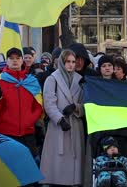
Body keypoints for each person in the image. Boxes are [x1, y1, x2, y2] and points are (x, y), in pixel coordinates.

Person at [40, 49, 85, 186]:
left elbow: (86, 104)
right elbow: (48, 103)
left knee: (75, 162)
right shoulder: (52, 79)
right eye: (67, 62)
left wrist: (76, 107)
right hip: (58, 126)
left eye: (73, 62)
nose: (71, 65)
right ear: (61, 62)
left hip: (75, 125)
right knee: (57, 165)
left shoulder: (80, 80)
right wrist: (59, 119)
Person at [0, 47, 43, 157]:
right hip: (6, 133)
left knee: (27, 167)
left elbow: (38, 106)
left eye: (18, 58)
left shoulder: (32, 81)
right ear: (7, 61)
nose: (15, 61)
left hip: (28, 134)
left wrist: (29, 120)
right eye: (11, 58)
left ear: (22, 60)